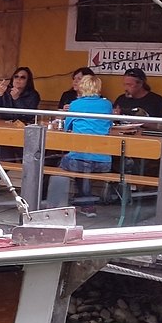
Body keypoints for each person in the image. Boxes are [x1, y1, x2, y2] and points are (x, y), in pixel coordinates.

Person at [46, 75, 112, 218]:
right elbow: (109, 126)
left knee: (64, 166)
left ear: (82, 87)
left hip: (79, 160)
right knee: (81, 162)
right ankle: (88, 206)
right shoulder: (107, 105)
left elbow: (66, 128)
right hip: (104, 163)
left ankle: (51, 206)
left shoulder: (75, 104)